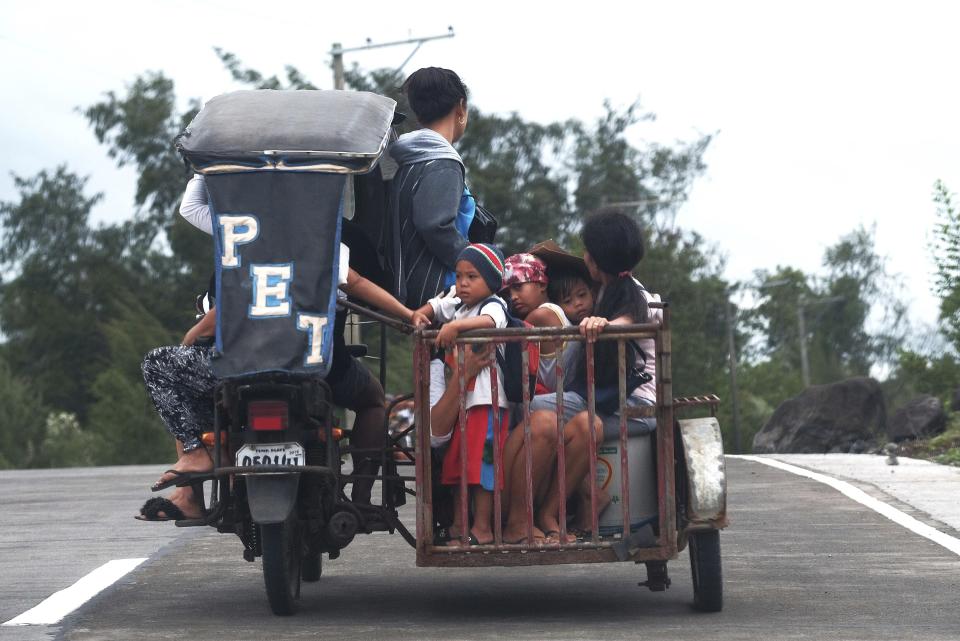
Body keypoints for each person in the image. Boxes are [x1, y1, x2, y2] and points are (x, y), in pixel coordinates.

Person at [138, 177, 428, 521]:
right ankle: (362, 496)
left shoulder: (240, 234)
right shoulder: (320, 235)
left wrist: (194, 334)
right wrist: (410, 315)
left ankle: (195, 453)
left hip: (242, 364)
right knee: (373, 398)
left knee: (159, 364)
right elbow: (356, 282)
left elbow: (225, 305)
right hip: (312, 364)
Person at [528, 211, 662, 542]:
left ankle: (544, 511)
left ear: (597, 258)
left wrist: (603, 326)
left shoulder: (635, 296)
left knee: (527, 410)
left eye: (587, 250)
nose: (584, 256)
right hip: (606, 401)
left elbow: (636, 320)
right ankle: (582, 498)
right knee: (544, 411)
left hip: (633, 408)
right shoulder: (603, 294)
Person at [414, 243, 509, 545]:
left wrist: (455, 326)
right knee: (460, 465)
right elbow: (436, 306)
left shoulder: (493, 304)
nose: (463, 283)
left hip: (487, 402)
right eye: (459, 276)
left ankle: (482, 528)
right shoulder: (459, 304)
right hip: (464, 404)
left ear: (492, 281)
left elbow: (492, 322)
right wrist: (421, 313)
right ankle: (459, 526)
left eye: (472, 277)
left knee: (482, 467)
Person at [384, 67, 473, 308]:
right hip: (442, 290)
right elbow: (435, 225)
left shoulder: (410, 159)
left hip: (417, 284)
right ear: (460, 108)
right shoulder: (442, 161)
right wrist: (475, 265)